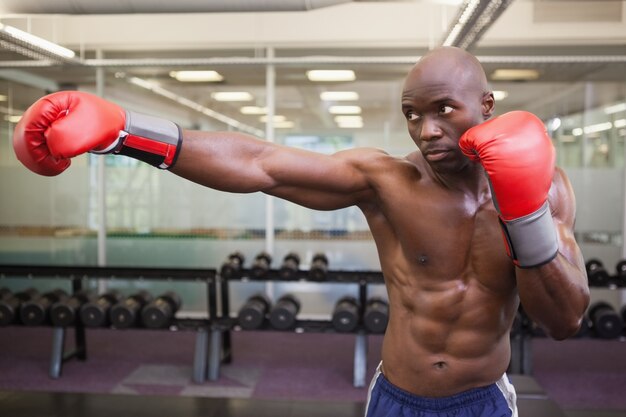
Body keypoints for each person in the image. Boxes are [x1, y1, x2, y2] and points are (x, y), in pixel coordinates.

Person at [13, 46, 590, 417]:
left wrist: (524, 213)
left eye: (444, 109)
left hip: (484, 401)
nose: (426, 129)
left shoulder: (545, 188)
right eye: (413, 113)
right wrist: (124, 132)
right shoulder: (387, 182)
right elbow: (262, 163)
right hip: (397, 398)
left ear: (486, 105)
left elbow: (564, 319)